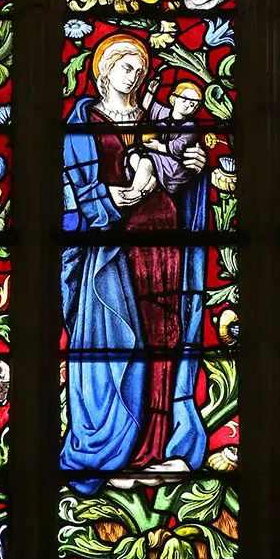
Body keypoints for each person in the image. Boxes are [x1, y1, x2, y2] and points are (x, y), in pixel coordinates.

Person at [60, 35, 209, 492]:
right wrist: (115, 200)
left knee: (165, 339)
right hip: (110, 258)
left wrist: (195, 167)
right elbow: (63, 194)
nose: (135, 74)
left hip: (165, 250)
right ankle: (114, 450)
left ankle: (159, 449)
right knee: (122, 343)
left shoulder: (159, 121)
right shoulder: (82, 124)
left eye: (139, 68)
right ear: (102, 72)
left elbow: (179, 176)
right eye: (124, 66)